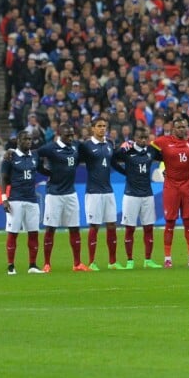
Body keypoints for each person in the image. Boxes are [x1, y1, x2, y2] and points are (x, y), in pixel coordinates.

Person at [150, 117, 189, 268]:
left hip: (187, 187)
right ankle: (168, 258)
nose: (182, 129)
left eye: (184, 127)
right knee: (170, 222)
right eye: (179, 127)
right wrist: (164, 165)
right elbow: (149, 150)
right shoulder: (163, 141)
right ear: (173, 129)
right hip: (171, 187)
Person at [36, 122, 82, 273]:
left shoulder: (75, 146)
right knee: (51, 228)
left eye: (71, 134)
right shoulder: (51, 147)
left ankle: (77, 263)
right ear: (59, 134)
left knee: (74, 228)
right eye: (67, 135)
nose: (70, 137)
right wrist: (44, 171)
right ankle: (47, 264)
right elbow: (35, 154)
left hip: (71, 193)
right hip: (54, 194)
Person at [112, 126, 160, 270]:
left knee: (148, 228)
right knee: (130, 229)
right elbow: (112, 158)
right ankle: (130, 260)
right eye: (140, 138)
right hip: (131, 195)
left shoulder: (151, 151)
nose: (143, 140)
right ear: (135, 138)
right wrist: (125, 172)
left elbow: (166, 157)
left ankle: (148, 260)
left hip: (147, 195)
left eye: (145, 138)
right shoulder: (128, 152)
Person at [78, 117, 118, 272]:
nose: (102, 129)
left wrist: (127, 172)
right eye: (99, 126)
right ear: (92, 128)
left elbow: (114, 163)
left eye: (104, 126)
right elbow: (74, 159)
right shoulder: (87, 146)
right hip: (93, 192)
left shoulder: (109, 145)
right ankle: (92, 262)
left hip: (108, 190)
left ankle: (112, 262)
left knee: (112, 225)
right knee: (94, 226)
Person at [1, 132, 42, 275]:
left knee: (33, 233)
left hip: (32, 200)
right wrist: (4, 198)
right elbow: (4, 179)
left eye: (30, 139)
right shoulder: (10, 157)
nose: (29, 141)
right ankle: (11, 266)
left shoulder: (35, 155)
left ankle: (33, 265)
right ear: (18, 141)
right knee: (13, 233)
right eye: (25, 139)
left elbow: (43, 168)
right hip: (15, 200)